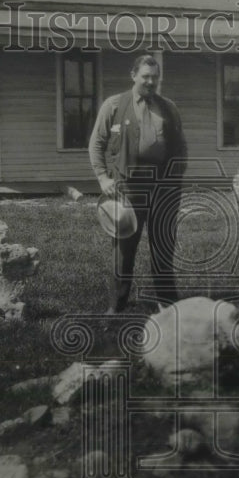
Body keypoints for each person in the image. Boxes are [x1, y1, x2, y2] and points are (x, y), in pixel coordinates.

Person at [89, 55, 188, 313]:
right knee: (123, 248)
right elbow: (96, 143)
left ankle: (167, 304)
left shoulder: (169, 108)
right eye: (145, 76)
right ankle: (117, 305)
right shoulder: (113, 105)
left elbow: (182, 147)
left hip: (163, 186)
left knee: (163, 246)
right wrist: (102, 177)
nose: (151, 81)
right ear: (133, 75)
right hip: (129, 185)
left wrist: (175, 178)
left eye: (155, 77)